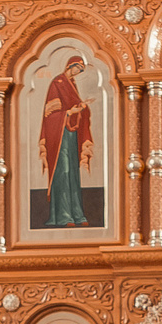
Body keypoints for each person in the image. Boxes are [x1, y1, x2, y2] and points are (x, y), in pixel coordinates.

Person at [39, 57, 95, 227]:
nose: (78, 72)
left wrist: (83, 108)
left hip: (71, 136)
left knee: (73, 173)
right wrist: (69, 112)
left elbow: (74, 109)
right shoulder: (58, 82)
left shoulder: (72, 84)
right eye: (77, 68)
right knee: (62, 171)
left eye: (81, 70)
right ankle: (63, 215)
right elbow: (51, 115)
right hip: (59, 136)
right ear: (70, 65)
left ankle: (77, 214)